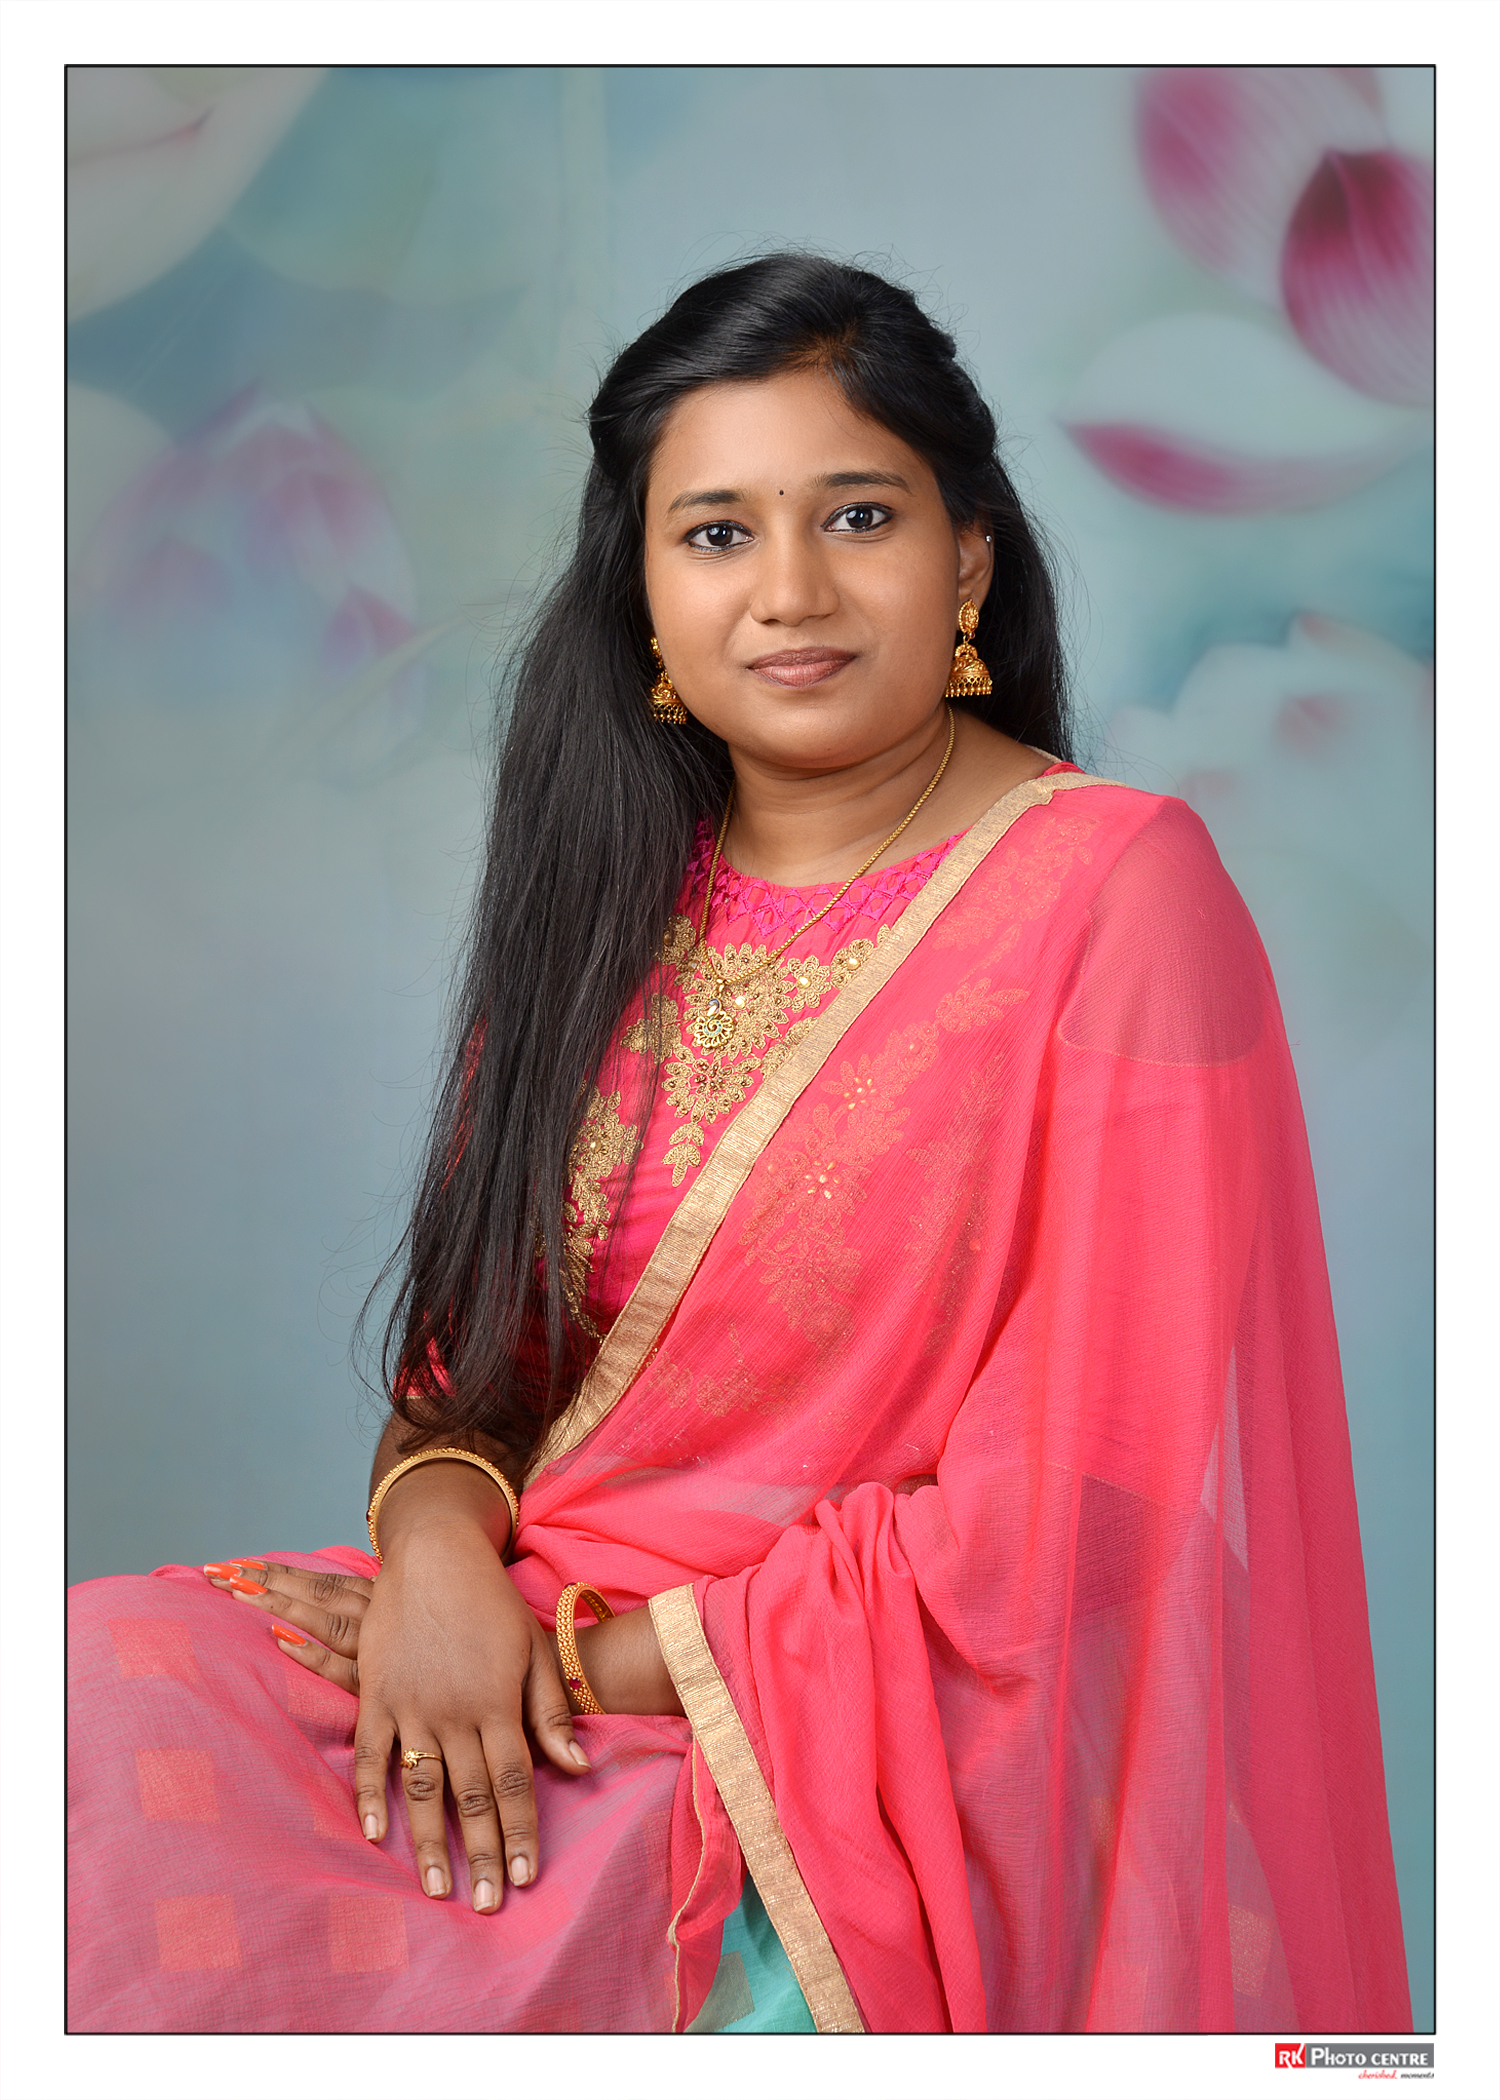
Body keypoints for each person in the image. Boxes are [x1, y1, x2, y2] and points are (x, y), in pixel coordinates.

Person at [68, 254, 1411, 2035]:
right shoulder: (613, 898)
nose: (790, 592)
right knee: (83, 1704)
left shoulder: (1117, 891)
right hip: (514, 1648)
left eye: (857, 515)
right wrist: (439, 1572)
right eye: (715, 534)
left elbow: (1092, 1505)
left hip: (873, 1748)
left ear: (969, 563)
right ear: (642, 592)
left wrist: (585, 1667)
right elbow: (480, 1381)